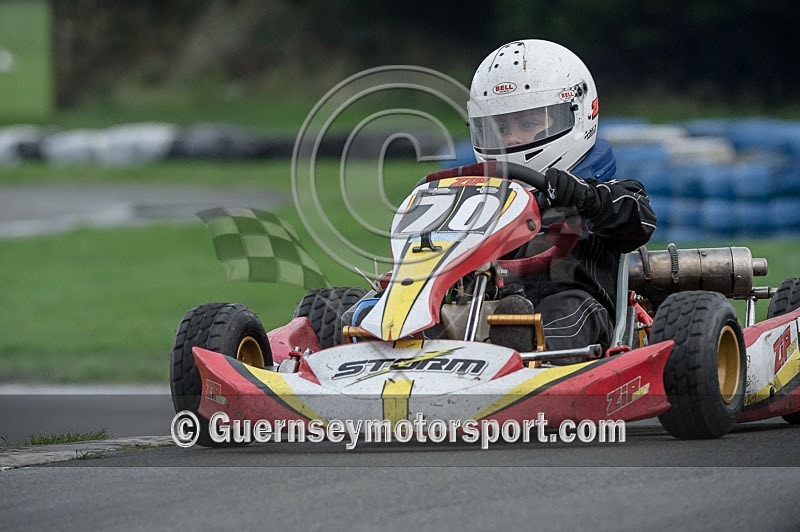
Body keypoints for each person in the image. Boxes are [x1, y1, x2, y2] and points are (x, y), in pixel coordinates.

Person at [467, 39, 657, 356]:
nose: (510, 138)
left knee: (565, 310)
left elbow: (640, 221)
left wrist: (584, 197)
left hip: (579, 306)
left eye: (527, 124)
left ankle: (526, 352)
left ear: (577, 114)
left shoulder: (607, 193)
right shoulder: (480, 201)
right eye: (499, 127)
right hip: (488, 307)